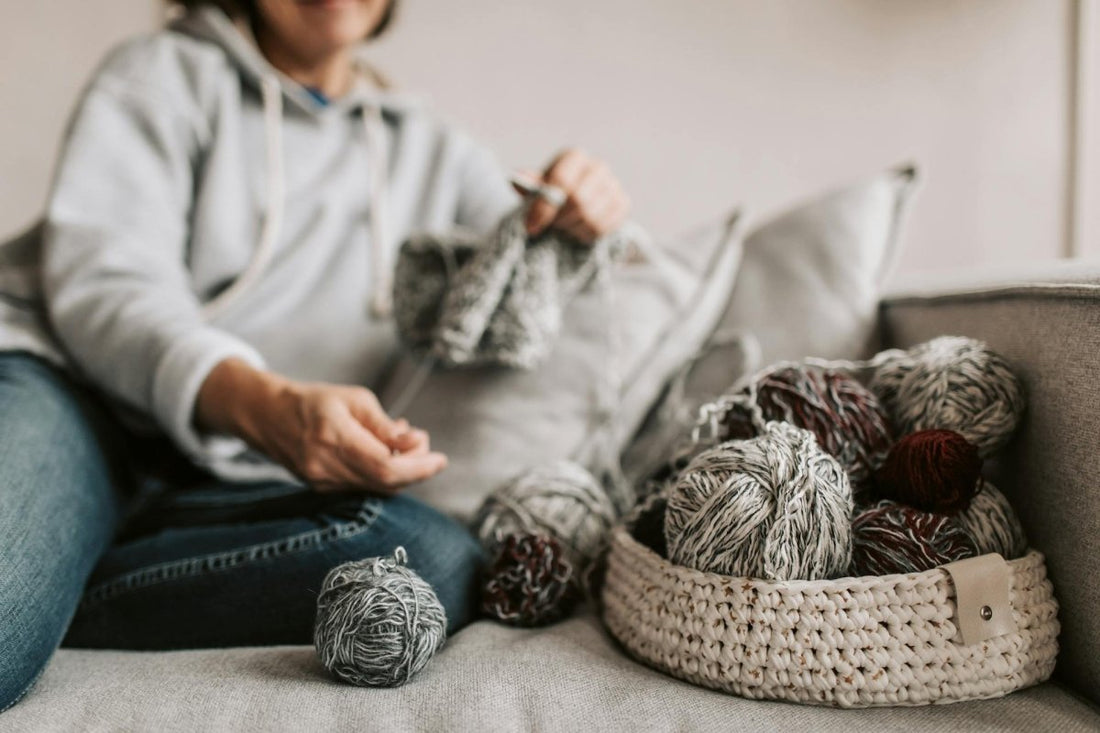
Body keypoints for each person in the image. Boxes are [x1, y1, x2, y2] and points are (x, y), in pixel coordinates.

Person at [0, 0, 630, 710]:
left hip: (226, 478)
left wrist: (581, 213)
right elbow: (108, 289)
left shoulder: (431, 151)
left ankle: (53, 566)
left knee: (428, 558)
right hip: (71, 399)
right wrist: (266, 405)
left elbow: (540, 262)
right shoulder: (162, 74)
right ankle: (38, 560)